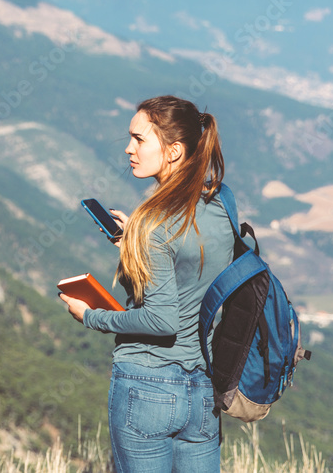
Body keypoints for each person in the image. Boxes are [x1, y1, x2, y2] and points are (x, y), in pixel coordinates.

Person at [60, 95, 234, 472]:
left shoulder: (153, 222)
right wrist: (132, 243)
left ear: (172, 151)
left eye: (139, 140)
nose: (128, 148)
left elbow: (161, 320)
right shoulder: (221, 206)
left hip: (147, 384)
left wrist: (91, 316)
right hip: (202, 390)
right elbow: (192, 269)